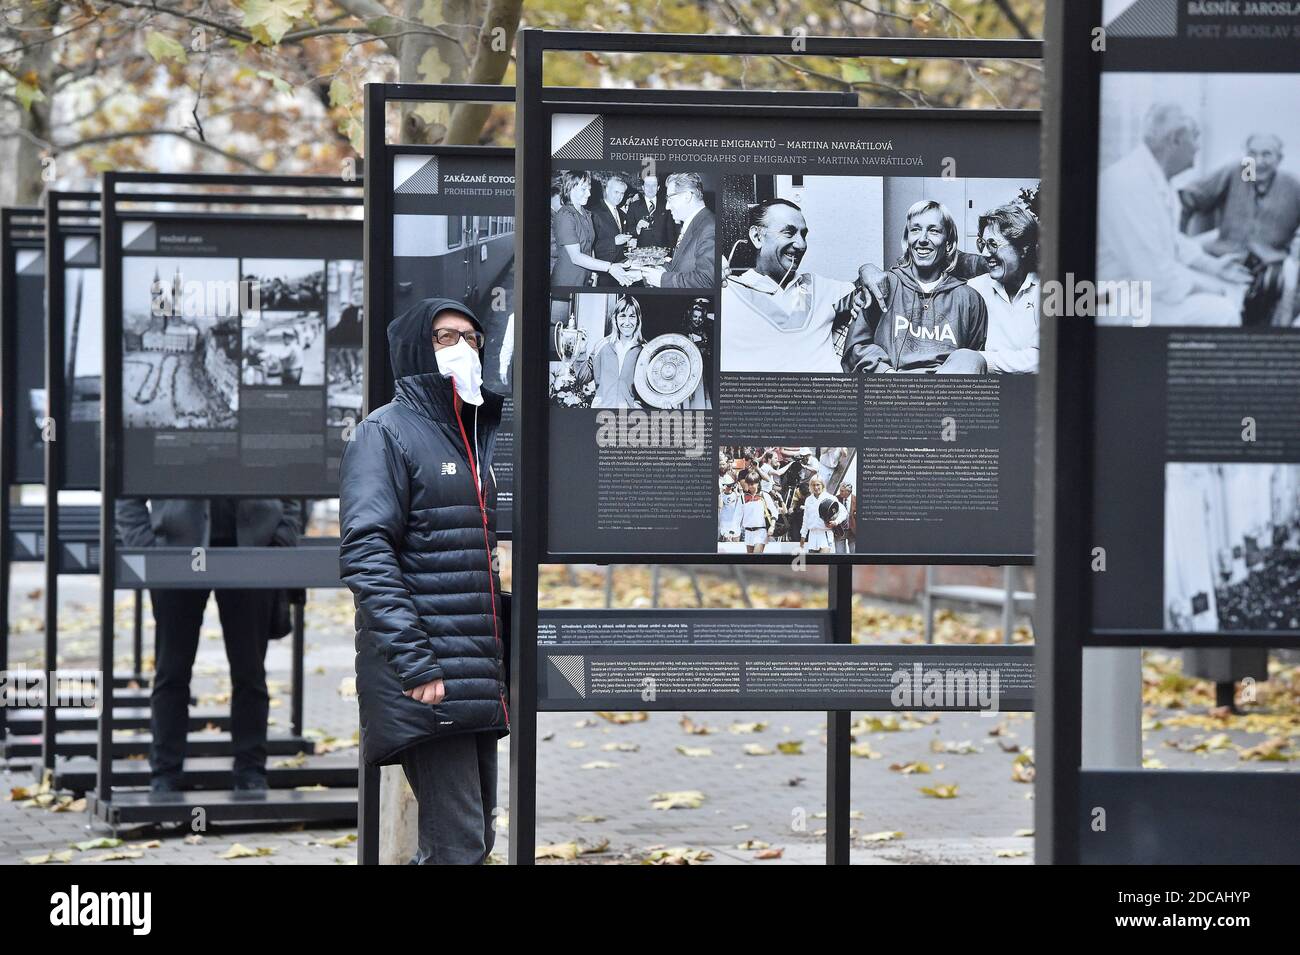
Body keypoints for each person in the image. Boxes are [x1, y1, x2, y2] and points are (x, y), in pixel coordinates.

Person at [339, 296, 507, 865]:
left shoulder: (469, 432)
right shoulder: (384, 433)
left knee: (472, 841)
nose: (462, 347)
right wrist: (416, 663)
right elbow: (366, 552)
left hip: (473, 673)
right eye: (444, 337)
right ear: (416, 349)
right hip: (428, 671)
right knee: (458, 845)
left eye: (471, 337)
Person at [115, 497, 301, 792]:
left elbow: (292, 483)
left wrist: (280, 537)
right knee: (171, 671)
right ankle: (165, 774)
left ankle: (251, 772)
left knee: (250, 671)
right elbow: (127, 495)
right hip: (176, 554)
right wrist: (147, 548)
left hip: (251, 551)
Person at [1096, 102, 1248, 326]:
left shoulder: (1157, 180)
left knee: (1231, 289)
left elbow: (1171, 240)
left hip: (1143, 289)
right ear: (1175, 139)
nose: (1198, 147)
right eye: (1195, 137)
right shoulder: (1129, 183)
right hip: (1114, 301)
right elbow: (1157, 275)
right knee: (1223, 311)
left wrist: (1213, 266)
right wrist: (1213, 288)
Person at [842, 200, 989, 374]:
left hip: (947, 387)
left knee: (972, 358)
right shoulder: (881, 284)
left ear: (948, 244)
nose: (923, 239)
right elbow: (855, 348)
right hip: (892, 384)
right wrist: (886, 373)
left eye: (933, 231)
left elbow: (973, 364)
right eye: (915, 230)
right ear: (907, 240)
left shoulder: (970, 299)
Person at [720, 197, 859, 372]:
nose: (801, 244)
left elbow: (864, 289)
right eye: (789, 233)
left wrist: (868, 270)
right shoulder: (728, 291)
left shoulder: (817, 287)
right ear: (757, 237)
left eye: (803, 235)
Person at [1179, 133, 1300, 263]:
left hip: (1271, 263)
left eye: (1266, 154)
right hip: (1225, 257)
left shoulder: (1292, 185)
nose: (1258, 162)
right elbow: (1188, 197)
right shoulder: (1237, 172)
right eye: (1252, 154)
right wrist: (1180, 241)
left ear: (1279, 158)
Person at [551, 171, 635, 342]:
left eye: (589, 189)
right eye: (583, 189)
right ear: (570, 188)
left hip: (585, 278)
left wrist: (594, 274)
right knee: (562, 330)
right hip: (568, 280)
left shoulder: (585, 213)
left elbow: (590, 247)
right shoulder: (565, 215)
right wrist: (610, 267)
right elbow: (576, 257)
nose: (589, 193)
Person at [966, 203, 1041, 374]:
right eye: (982, 244)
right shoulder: (973, 289)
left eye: (993, 244)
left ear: (1023, 248)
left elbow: (1045, 359)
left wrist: (982, 360)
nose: (985, 253)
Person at [640, 173, 716, 289]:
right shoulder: (696, 223)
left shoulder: (709, 227)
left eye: (670, 198)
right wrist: (646, 273)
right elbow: (680, 264)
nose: (667, 206)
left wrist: (662, 279)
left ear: (687, 196)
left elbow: (706, 281)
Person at [575, 293, 645, 409]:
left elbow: (651, 388)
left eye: (632, 316)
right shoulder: (602, 345)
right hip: (601, 412)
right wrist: (582, 350)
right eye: (622, 316)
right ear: (615, 319)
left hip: (629, 415)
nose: (627, 322)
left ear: (638, 319)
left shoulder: (644, 351)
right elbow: (582, 377)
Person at [588, 173, 637, 288]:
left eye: (622, 193)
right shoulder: (593, 212)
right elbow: (589, 247)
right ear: (607, 190)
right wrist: (614, 241)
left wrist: (628, 242)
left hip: (621, 268)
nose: (619, 196)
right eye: (616, 192)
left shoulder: (621, 213)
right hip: (604, 271)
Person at [625, 168, 674, 249]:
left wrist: (671, 252)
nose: (650, 188)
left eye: (654, 185)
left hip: (662, 252)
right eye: (647, 185)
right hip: (641, 253)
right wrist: (637, 228)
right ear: (643, 187)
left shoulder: (667, 205)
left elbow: (671, 232)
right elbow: (628, 231)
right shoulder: (634, 206)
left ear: (658, 188)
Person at [801, 475, 842, 554]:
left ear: (822, 485)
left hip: (825, 534)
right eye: (813, 485)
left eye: (818, 485)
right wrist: (803, 535)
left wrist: (836, 522)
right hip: (812, 536)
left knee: (823, 560)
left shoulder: (830, 498)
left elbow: (843, 512)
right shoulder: (808, 500)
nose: (816, 487)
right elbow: (805, 519)